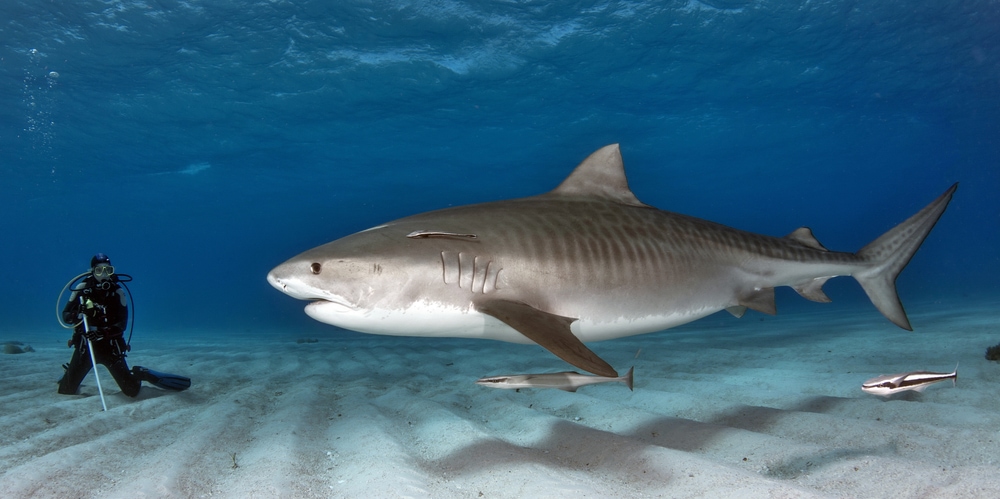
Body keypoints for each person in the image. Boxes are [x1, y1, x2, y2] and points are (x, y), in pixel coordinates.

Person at [58, 253, 190, 396]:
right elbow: (66, 317)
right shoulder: (82, 288)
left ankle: (141, 373)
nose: (103, 274)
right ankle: (70, 373)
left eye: (108, 270)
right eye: (99, 270)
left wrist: (102, 333)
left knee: (131, 391)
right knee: (65, 391)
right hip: (86, 347)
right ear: (92, 271)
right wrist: (77, 312)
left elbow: (122, 324)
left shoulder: (117, 292)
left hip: (110, 348)